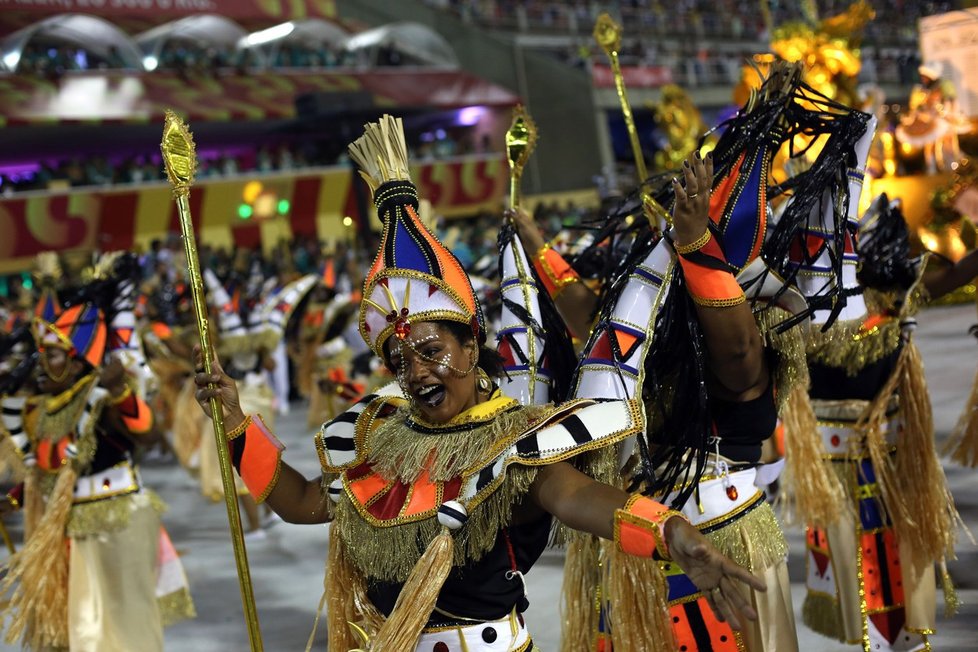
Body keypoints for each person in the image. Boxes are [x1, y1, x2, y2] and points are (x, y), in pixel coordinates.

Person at [192, 115, 766, 651]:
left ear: (471, 346)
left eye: (431, 351)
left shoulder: (512, 438)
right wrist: (238, 423)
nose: (417, 372)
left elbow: (578, 497)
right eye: (400, 360)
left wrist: (673, 535)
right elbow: (299, 503)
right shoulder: (381, 440)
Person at [798, 194, 975, 651]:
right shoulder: (803, 312)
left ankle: (901, 640)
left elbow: (953, 277)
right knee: (861, 559)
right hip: (835, 464)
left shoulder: (893, 301)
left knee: (892, 551)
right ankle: (881, 641)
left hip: (891, 459)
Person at [0, 295, 195, 651]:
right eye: (41, 355)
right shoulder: (41, 410)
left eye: (53, 355)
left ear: (76, 364)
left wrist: (121, 390)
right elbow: (50, 473)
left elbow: (149, 435)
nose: (41, 365)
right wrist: (15, 500)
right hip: (69, 528)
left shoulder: (101, 398)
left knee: (126, 621)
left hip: (118, 523)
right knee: (86, 627)